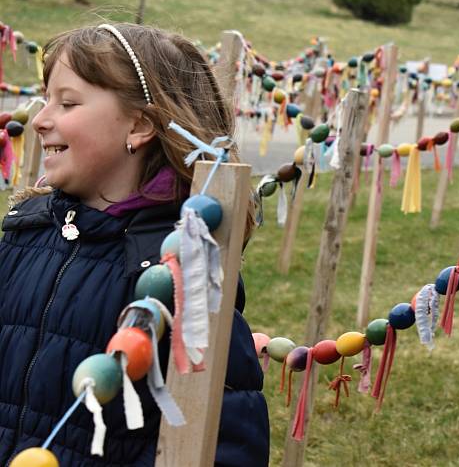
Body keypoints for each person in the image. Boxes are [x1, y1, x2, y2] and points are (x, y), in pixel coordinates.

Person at [0, 23, 269, 466]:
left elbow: (224, 437)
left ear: (140, 124)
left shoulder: (181, 269)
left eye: (66, 102)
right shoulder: (23, 235)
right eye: (45, 99)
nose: (41, 119)